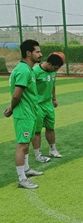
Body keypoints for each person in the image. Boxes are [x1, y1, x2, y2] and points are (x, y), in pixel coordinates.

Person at [4, 40, 44, 189]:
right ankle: (21, 179)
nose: (40, 54)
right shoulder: (23, 70)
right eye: (37, 51)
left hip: (30, 112)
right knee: (22, 145)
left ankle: (26, 169)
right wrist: (12, 108)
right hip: (24, 114)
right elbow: (16, 95)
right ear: (28, 53)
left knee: (26, 143)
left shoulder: (28, 69)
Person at [31, 53, 65, 163]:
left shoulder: (53, 71)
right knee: (37, 131)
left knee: (51, 128)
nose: (56, 70)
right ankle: (37, 154)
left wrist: (54, 98)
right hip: (37, 105)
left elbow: (53, 84)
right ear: (49, 64)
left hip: (48, 104)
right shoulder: (35, 71)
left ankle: (53, 150)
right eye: (55, 68)